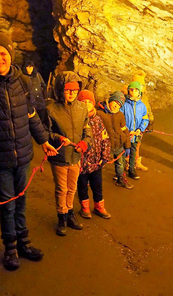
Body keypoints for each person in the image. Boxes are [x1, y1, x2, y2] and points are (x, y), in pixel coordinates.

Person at [0, 33, 57, 271]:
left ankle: (24, 242)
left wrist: (44, 140)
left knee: (22, 200)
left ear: (10, 55)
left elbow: (31, 116)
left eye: (3, 53)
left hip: (24, 155)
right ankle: (11, 248)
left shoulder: (23, 83)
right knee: (7, 203)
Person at [44, 71, 93, 236]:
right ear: (60, 90)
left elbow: (88, 130)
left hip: (75, 155)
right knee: (61, 188)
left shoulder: (82, 109)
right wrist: (58, 138)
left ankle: (70, 213)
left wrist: (85, 143)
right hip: (59, 156)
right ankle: (62, 216)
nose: (72, 93)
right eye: (67, 90)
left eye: (74, 90)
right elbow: (45, 132)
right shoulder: (51, 110)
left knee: (72, 188)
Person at [76, 90, 111, 219]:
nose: (86, 104)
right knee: (82, 186)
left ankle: (99, 206)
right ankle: (85, 207)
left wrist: (105, 156)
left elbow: (105, 138)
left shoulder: (97, 120)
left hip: (96, 162)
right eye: (83, 102)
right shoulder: (77, 120)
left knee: (97, 185)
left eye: (89, 102)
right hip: (82, 161)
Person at [97, 91, 133, 189]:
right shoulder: (100, 113)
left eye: (119, 105)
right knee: (99, 163)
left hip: (118, 143)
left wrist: (127, 145)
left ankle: (120, 178)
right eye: (116, 103)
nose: (116, 106)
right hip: (105, 144)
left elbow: (125, 130)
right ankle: (93, 179)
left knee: (120, 163)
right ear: (111, 101)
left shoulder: (120, 115)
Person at [120, 82, 149, 180]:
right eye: (131, 89)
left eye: (136, 90)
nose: (133, 92)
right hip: (125, 134)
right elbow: (120, 118)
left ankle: (131, 170)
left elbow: (145, 119)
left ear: (139, 92)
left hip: (136, 135)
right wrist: (125, 130)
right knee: (122, 152)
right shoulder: (124, 104)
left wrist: (140, 129)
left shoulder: (142, 106)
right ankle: (119, 172)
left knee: (133, 152)